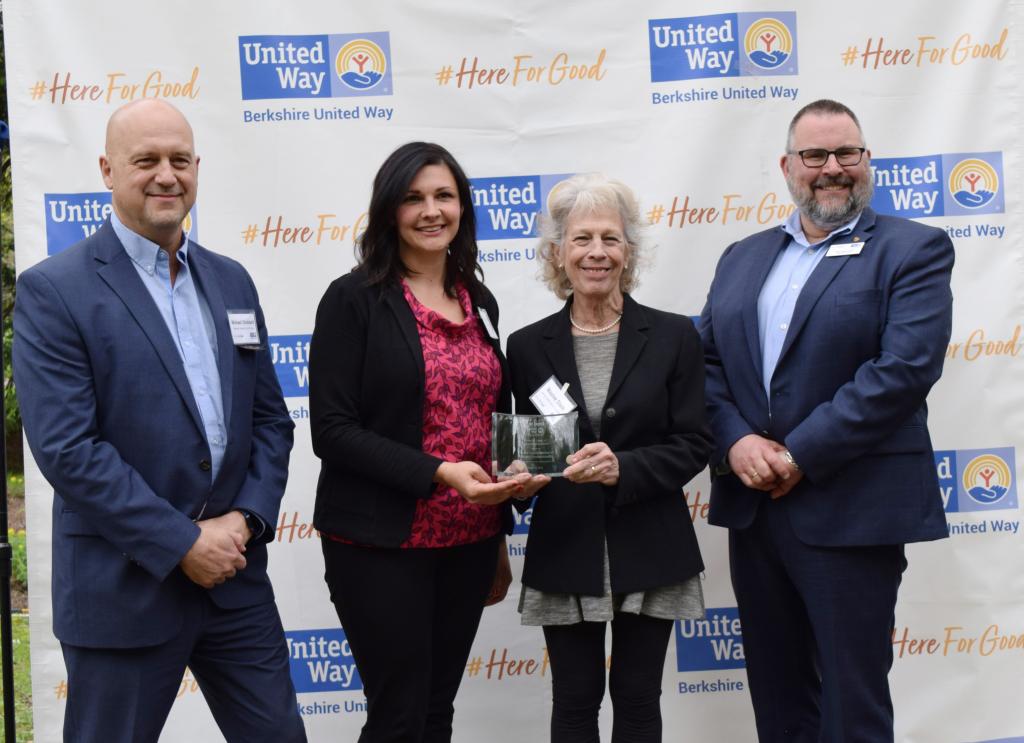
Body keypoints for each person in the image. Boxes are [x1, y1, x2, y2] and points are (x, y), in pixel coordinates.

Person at [12, 100, 305, 742]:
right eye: (146, 161)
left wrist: (247, 521)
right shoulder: (55, 291)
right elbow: (68, 449)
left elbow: (270, 423)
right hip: (126, 587)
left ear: (197, 167)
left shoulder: (231, 282)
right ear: (108, 170)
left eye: (179, 160)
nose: (165, 175)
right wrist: (181, 543)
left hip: (234, 582)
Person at [698, 99, 954, 742]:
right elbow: (703, 366)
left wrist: (797, 454)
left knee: (852, 701)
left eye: (848, 153)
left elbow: (902, 370)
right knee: (779, 699)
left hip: (851, 509)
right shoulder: (741, 257)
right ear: (788, 166)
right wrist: (735, 444)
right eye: (815, 155)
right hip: (755, 512)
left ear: (868, 162)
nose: (832, 168)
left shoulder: (913, 249)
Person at [309, 142, 532, 742]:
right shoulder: (353, 299)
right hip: (380, 542)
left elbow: (487, 414)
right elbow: (331, 431)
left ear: (462, 207)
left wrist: (501, 525)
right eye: (413, 198)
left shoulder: (476, 300)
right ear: (389, 211)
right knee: (399, 715)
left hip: (468, 542)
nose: (431, 211)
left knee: (436, 711)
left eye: (444, 196)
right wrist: (439, 472)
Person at [505, 173, 713, 742]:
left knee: (639, 698)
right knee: (574, 701)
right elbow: (535, 447)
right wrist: (520, 474)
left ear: (629, 252)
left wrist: (626, 468)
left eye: (610, 239)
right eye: (581, 239)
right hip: (565, 548)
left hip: (652, 545)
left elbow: (695, 441)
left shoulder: (674, 337)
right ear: (558, 253)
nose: (596, 252)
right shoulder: (525, 346)